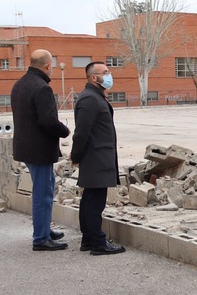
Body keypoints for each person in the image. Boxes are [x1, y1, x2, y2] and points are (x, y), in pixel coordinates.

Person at [11, 49, 70, 251]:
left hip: (26, 148)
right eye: (52, 65)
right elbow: (48, 121)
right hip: (39, 150)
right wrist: (65, 131)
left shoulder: (20, 84)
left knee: (46, 187)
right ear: (47, 66)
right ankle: (41, 238)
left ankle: (44, 229)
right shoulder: (42, 87)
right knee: (43, 193)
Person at [70, 61, 125, 255]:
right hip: (95, 158)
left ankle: (88, 240)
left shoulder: (95, 96)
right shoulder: (89, 99)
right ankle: (98, 243)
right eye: (106, 72)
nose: (109, 75)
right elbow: (81, 133)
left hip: (99, 157)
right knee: (95, 203)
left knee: (90, 200)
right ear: (94, 77)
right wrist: (75, 155)